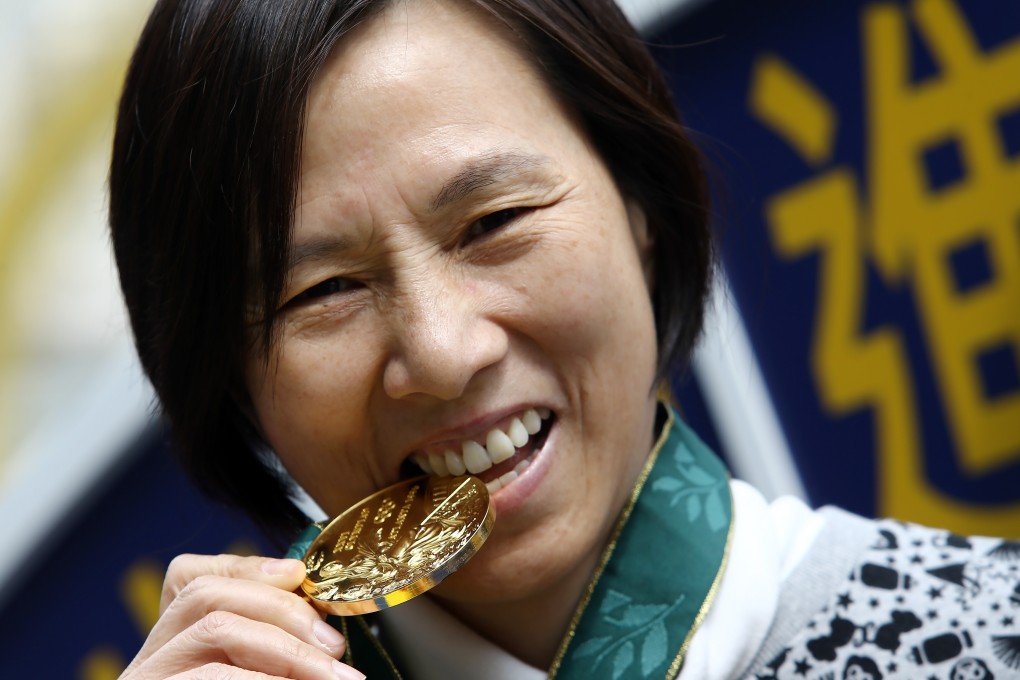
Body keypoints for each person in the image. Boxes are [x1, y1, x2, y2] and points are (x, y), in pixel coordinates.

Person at [108, 0, 1018, 678]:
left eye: (493, 220)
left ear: (639, 201)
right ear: (228, 377)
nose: (442, 351)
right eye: (326, 289)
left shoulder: (984, 634)